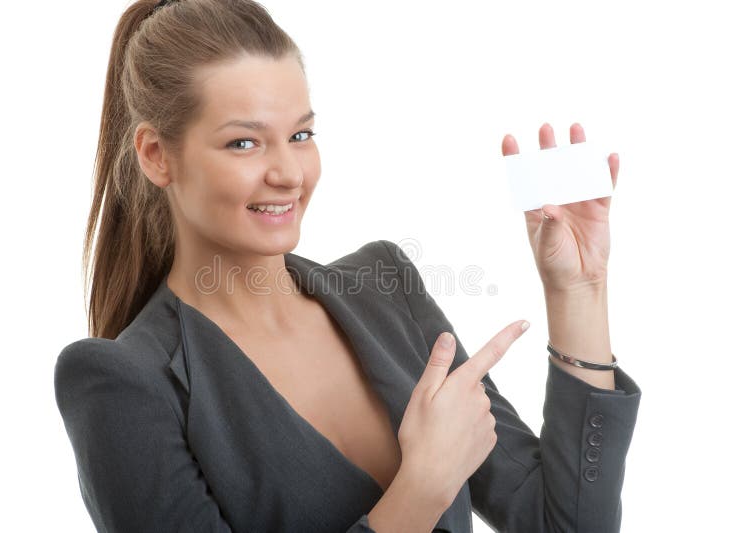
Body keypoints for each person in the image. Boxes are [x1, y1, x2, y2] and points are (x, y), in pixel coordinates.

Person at [53, 1, 642, 532]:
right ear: (157, 155)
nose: (289, 172)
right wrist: (420, 490)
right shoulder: (122, 384)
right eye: (244, 143)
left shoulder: (384, 289)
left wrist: (578, 291)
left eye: (301, 134)